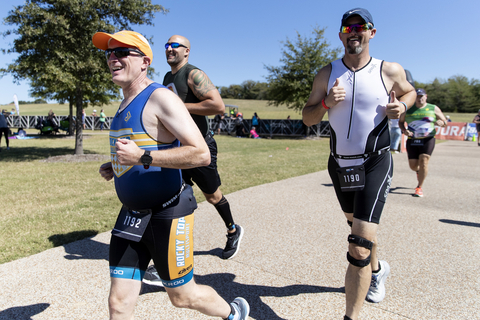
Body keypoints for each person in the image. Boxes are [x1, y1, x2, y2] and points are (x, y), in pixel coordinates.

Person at [92, 30, 249, 320]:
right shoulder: (124, 103)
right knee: (118, 302)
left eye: (123, 52)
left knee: (182, 297)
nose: (113, 58)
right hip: (131, 216)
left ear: (144, 62)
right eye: (109, 53)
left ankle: (233, 312)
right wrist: (117, 167)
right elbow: (144, 146)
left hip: (168, 213)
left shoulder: (160, 97)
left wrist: (142, 157)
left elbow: (200, 153)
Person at [302, 8, 416, 320]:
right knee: (358, 231)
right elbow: (307, 117)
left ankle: (350, 316)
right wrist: (326, 103)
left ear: (371, 33)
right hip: (339, 166)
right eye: (348, 27)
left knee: (359, 246)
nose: (354, 32)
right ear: (341, 35)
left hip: (375, 162)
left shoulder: (388, 70)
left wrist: (401, 106)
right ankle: (378, 270)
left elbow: (410, 91)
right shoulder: (326, 74)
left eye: (360, 26)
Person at [162, 34, 244, 259]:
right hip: (178, 149)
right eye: (167, 45)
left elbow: (217, 106)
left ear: (187, 51)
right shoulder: (167, 76)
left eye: (175, 45)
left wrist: (180, 106)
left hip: (200, 148)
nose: (170, 48)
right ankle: (172, 252)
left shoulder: (193, 74)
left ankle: (233, 230)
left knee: (212, 196)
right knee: (174, 196)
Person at [399, 88, 448, 197]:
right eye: (417, 96)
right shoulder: (408, 109)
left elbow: (444, 121)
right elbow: (401, 122)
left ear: (426, 96)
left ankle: (419, 187)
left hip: (428, 139)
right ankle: (418, 172)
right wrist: (404, 130)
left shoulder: (433, 108)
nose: (419, 98)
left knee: (424, 161)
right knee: (413, 166)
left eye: (421, 96)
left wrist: (442, 123)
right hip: (412, 140)